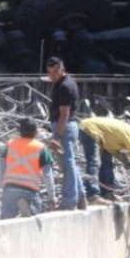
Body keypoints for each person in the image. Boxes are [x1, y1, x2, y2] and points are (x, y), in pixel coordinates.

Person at [43, 55, 86, 211]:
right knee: (71, 164)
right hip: (67, 127)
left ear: (62, 69)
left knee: (67, 165)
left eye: (55, 72)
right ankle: (81, 197)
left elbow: (64, 114)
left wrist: (56, 137)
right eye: (50, 72)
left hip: (65, 128)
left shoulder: (64, 87)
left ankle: (69, 202)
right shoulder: (65, 82)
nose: (52, 75)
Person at [78, 113, 130, 202]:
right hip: (89, 129)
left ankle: (107, 193)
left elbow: (112, 148)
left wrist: (124, 160)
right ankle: (92, 195)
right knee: (94, 162)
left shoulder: (123, 131)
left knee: (107, 163)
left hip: (97, 133)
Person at [0, 118, 56, 219]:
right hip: (30, 190)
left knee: (6, 218)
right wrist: (52, 197)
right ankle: (30, 209)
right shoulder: (41, 148)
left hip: (10, 189)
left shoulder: (9, 144)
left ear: (20, 131)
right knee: (34, 220)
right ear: (35, 132)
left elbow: (1, 170)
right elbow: (48, 175)